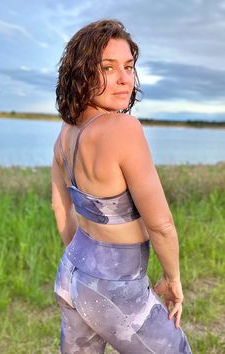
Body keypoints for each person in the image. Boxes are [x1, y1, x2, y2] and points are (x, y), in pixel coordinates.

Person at [52, 19, 192, 354]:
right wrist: (172, 280)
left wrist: (85, 265)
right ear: (83, 72)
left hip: (71, 272)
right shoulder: (122, 128)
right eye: (108, 67)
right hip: (115, 289)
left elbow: (61, 205)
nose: (124, 78)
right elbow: (161, 223)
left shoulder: (66, 132)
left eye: (128, 66)